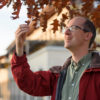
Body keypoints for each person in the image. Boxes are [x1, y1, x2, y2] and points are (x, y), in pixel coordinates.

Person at [11, 16, 100, 100]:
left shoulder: (97, 73)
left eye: (73, 28)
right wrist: (19, 47)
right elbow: (27, 83)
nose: (66, 32)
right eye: (66, 28)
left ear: (87, 36)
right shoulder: (58, 75)